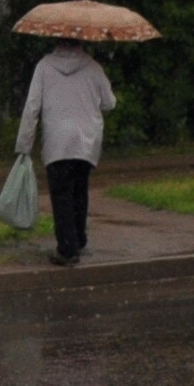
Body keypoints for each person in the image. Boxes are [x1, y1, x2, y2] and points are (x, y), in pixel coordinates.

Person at [19, 39, 118, 265]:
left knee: (61, 194)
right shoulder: (93, 67)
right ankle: (79, 239)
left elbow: (32, 106)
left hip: (57, 140)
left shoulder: (44, 66)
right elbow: (110, 103)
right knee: (79, 191)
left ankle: (67, 249)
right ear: (82, 42)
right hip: (86, 141)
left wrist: (24, 143)